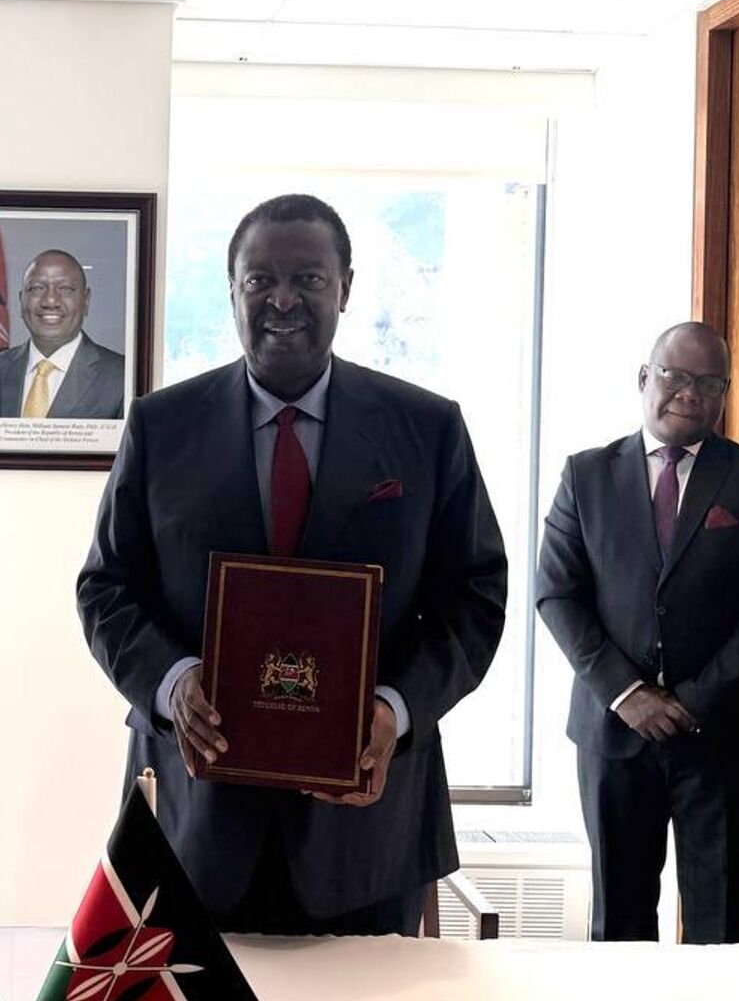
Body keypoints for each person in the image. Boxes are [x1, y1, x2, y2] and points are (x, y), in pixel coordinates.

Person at [77, 193, 508, 935]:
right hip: (191, 826)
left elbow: (476, 596)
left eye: (308, 279)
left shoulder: (428, 428)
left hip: (365, 834)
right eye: (260, 280)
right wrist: (173, 683)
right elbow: (106, 588)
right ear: (232, 290)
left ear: (346, 287)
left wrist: (396, 707)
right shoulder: (161, 425)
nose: (282, 300)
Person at [536, 322, 739, 943]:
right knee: (618, 924)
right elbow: (557, 594)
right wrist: (627, 693)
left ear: (724, 394)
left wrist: (694, 700)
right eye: (676, 376)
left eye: (709, 383)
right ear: (644, 377)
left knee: (719, 927)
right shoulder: (586, 475)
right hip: (614, 734)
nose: (690, 393)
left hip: (723, 736)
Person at [0, 248, 125, 419]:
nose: (50, 301)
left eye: (65, 289)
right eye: (37, 288)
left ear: (86, 300)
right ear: (21, 300)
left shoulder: (122, 377)